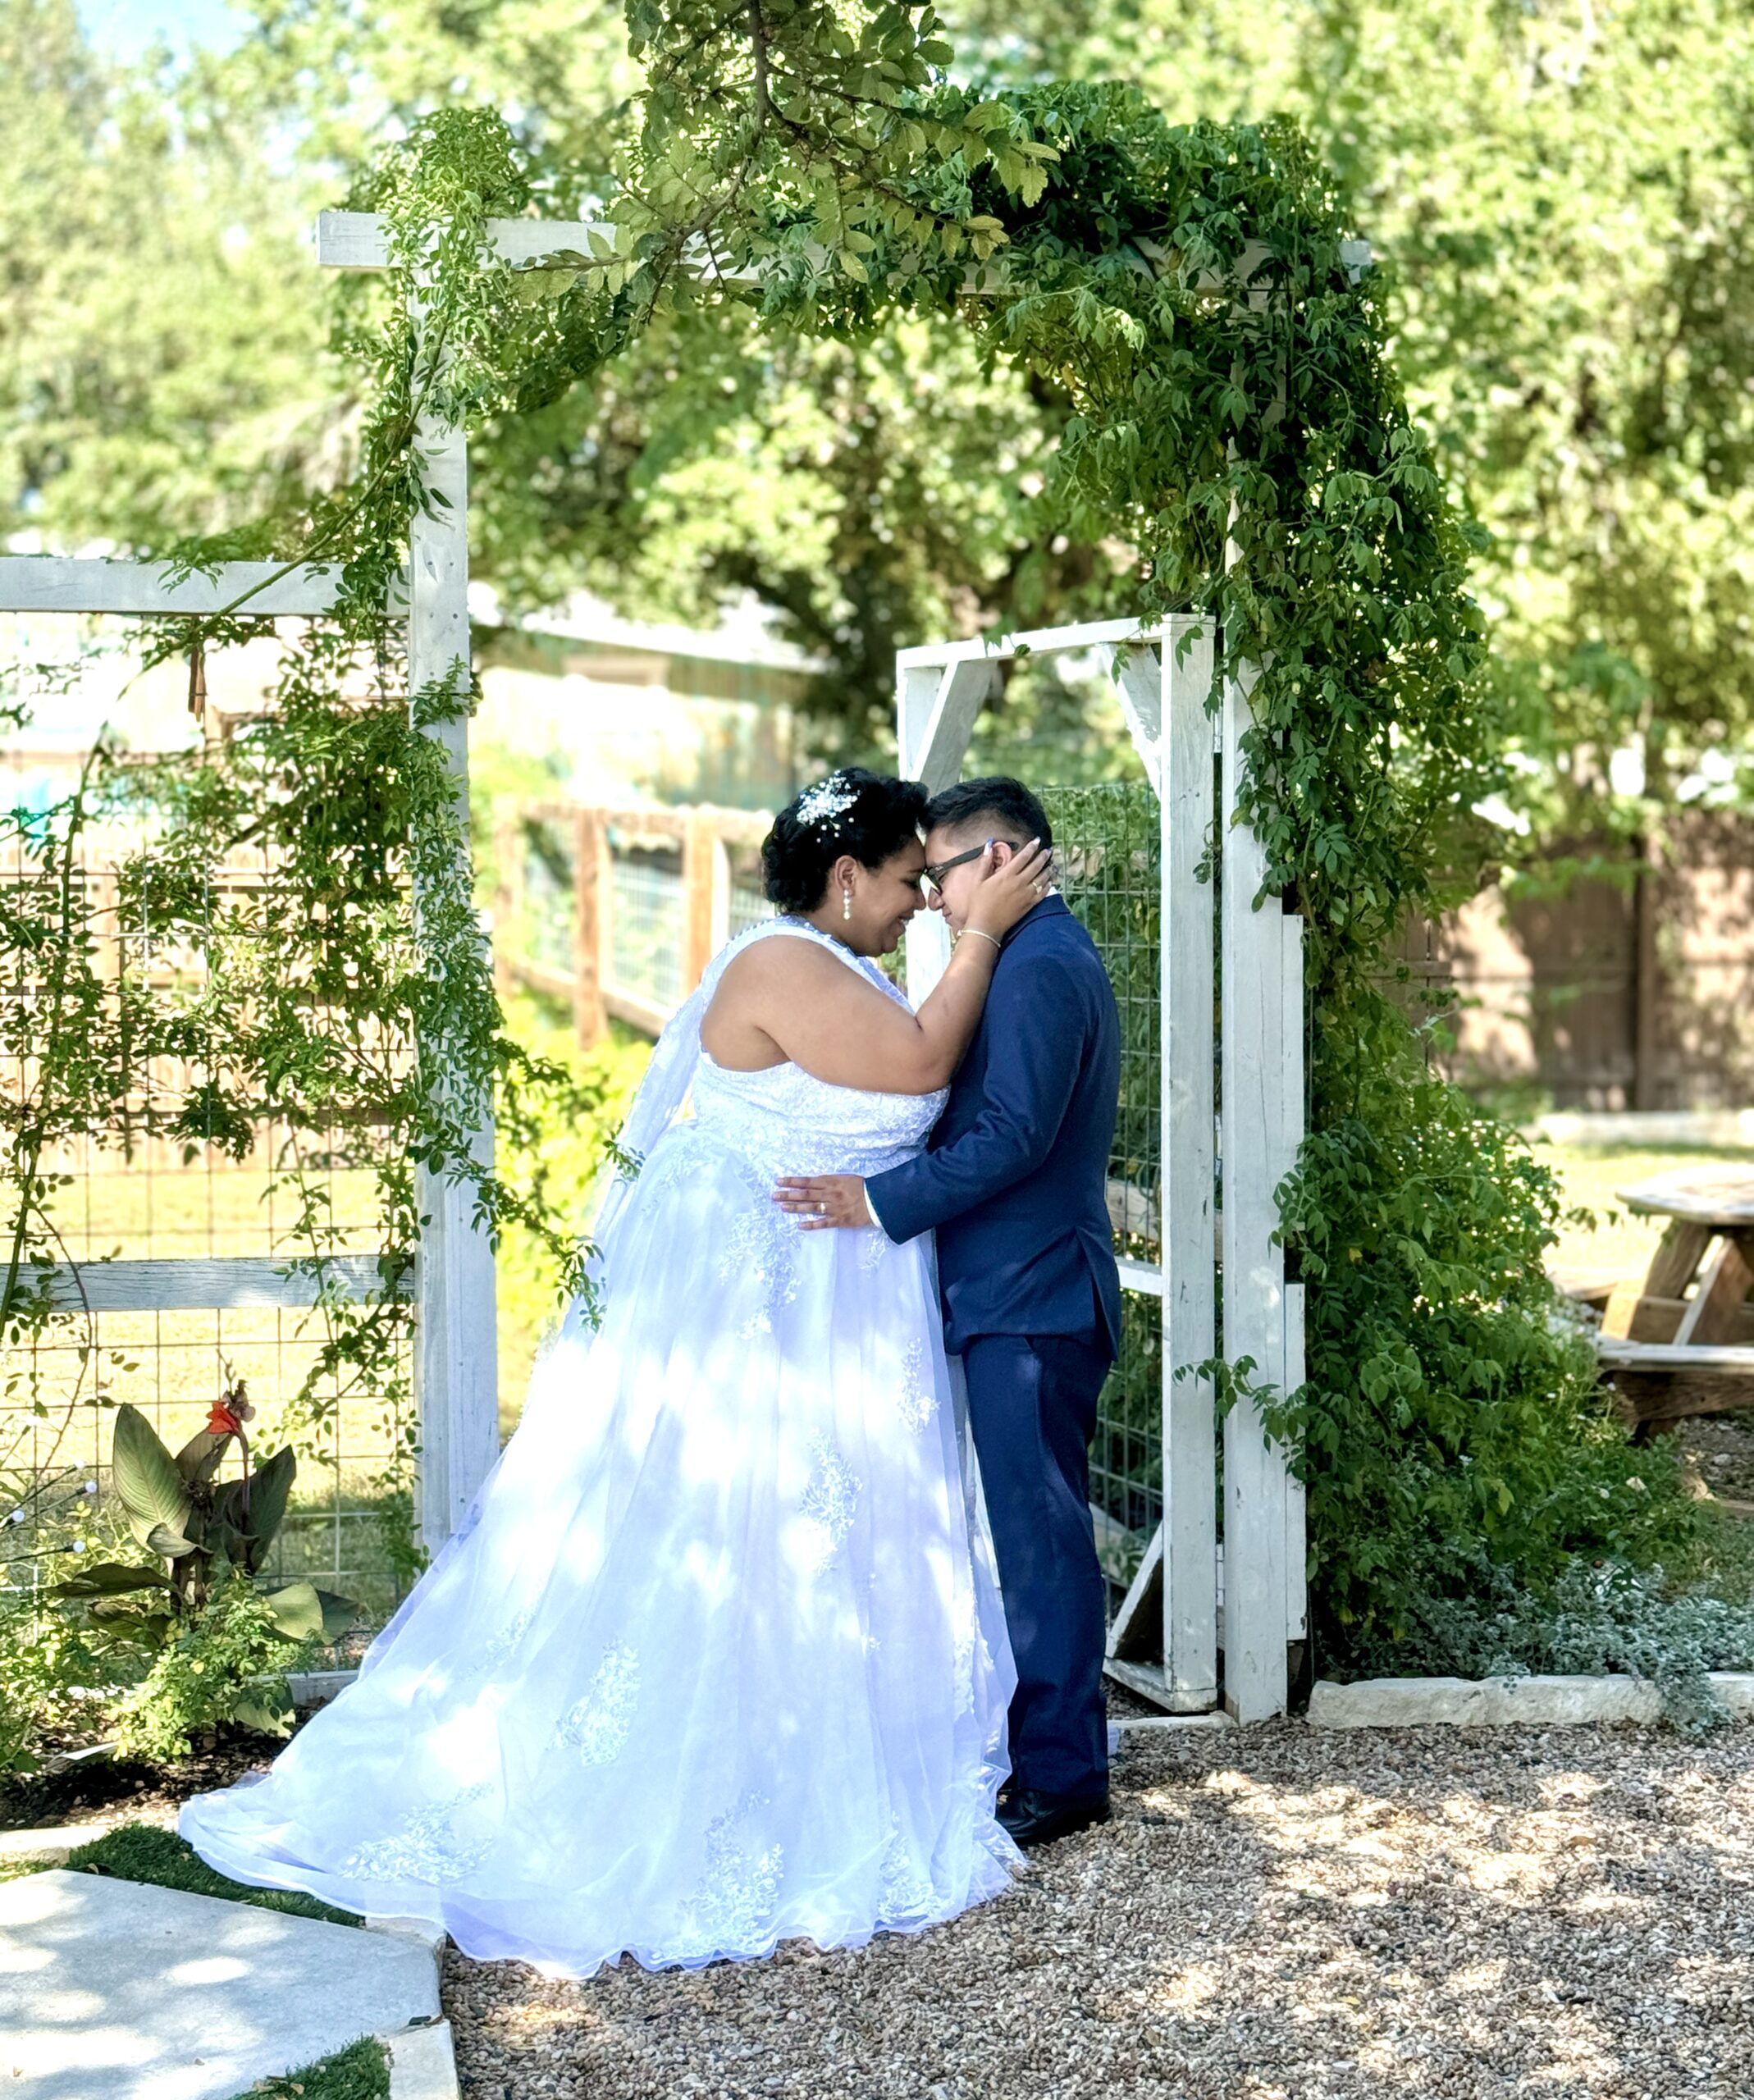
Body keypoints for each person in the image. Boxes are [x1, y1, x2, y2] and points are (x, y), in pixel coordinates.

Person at [177, 769, 1052, 1978]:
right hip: (762, 1307)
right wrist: (983, 936)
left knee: (814, 1542)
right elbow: (912, 1069)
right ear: (845, 879)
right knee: (726, 1531)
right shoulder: (778, 962)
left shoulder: (848, 960)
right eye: (909, 882)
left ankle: (798, 1749)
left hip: (840, 1310)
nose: (921, 903)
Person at [776, 777, 1121, 1849]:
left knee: (1039, 1540)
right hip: (1011, 1293)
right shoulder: (1018, 961)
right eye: (916, 878)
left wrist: (879, 1202)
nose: (927, 896)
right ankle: (1048, 1754)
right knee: (1026, 1533)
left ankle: (1064, 1776)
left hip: (1035, 1296)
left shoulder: (1043, 968)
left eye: (939, 874)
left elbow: (1014, 1136)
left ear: (1005, 862)